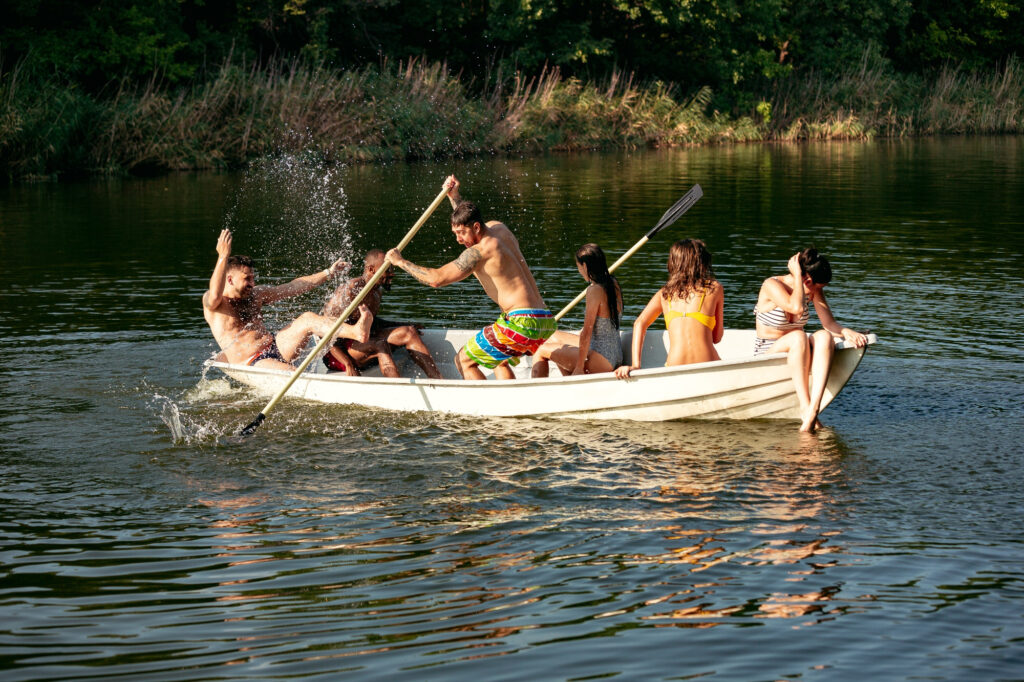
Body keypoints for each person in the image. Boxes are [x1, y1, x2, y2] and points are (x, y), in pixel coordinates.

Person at [385, 175, 556, 380]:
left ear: (475, 228)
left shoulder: (479, 252)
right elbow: (466, 217)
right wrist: (454, 196)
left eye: (461, 233)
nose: (458, 240)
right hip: (544, 319)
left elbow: (436, 279)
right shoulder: (500, 229)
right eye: (455, 233)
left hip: (521, 324)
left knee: (463, 360)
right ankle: (512, 401)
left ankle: (488, 409)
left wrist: (400, 262)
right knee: (496, 357)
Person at [202, 228, 372, 370]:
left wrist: (328, 273)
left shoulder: (256, 294)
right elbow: (215, 294)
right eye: (247, 278)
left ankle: (356, 331)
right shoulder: (215, 304)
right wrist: (223, 256)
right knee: (294, 373)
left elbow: (293, 287)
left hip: (277, 346)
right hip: (253, 362)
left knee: (307, 318)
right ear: (230, 279)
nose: (252, 283)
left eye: (253, 278)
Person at [752, 247, 868, 431]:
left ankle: (813, 409)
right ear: (806, 280)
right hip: (769, 350)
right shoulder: (772, 285)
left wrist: (847, 332)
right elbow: (795, 307)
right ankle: (806, 408)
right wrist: (797, 276)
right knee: (798, 336)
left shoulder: (812, 289)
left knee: (823, 336)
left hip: (799, 351)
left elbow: (828, 323)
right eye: (818, 286)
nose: (818, 291)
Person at [321, 249, 443, 379]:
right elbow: (323, 331)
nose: (392, 274)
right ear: (371, 269)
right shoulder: (351, 289)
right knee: (380, 344)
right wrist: (348, 363)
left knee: (409, 332)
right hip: (337, 354)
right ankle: (399, 390)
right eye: (387, 270)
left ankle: (438, 381)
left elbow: (373, 322)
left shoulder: (377, 292)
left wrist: (403, 324)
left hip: (362, 341)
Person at [615, 239, 724, 379]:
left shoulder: (665, 294)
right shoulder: (715, 288)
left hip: (674, 366)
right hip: (707, 363)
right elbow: (717, 338)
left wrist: (636, 365)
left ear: (674, 263)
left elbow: (639, 323)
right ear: (701, 263)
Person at [531, 243, 623, 377]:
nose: (579, 271)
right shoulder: (613, 283)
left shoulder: (594, 290)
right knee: (550, 336)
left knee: (541, 350)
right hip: (615, 354)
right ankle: (569, 381)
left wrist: (579, 367)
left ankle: (536, 392)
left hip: (601, 359)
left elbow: (587, 331)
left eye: (578, 267)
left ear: (585, 266)